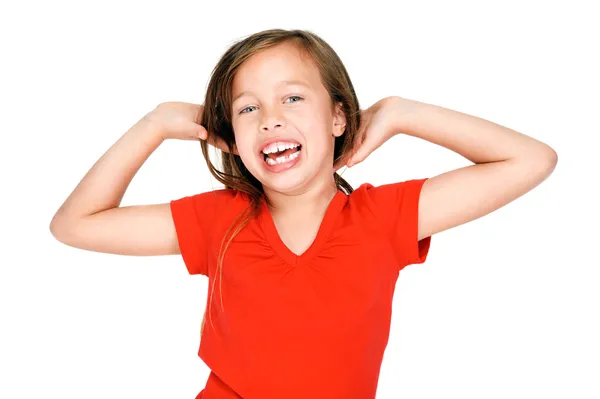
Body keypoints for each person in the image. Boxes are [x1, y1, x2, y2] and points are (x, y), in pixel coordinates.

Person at [49, 29, 558, 399]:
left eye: (292, 98)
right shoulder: (218, 221)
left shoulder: (383, 216)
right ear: (231, 134)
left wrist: (403, 113)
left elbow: (532, 160)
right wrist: (154, 125)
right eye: (248, 108)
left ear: (338, 116)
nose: (271, 119)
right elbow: (74, 224)